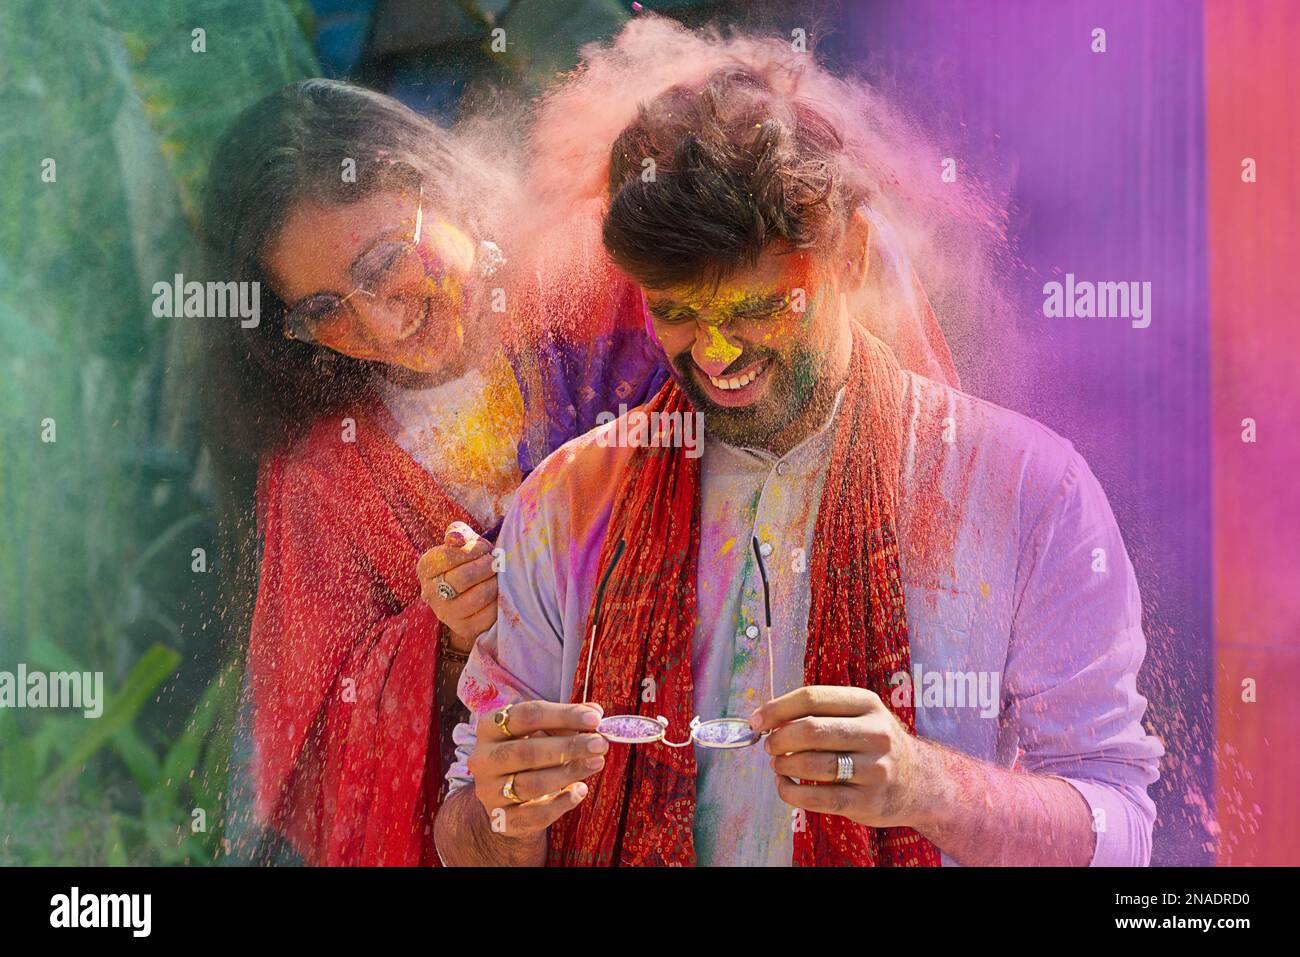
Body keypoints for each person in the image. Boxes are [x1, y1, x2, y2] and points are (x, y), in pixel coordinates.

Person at [435, 37, 1163, 867]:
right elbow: (466, 831)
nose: (715, 352)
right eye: (675, 311)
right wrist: (506, 813)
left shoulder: (1025, 486)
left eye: (755, 307)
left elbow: (1122, 833)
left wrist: (925, 786)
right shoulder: (570, 499)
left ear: (849, 257)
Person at [201, 79, 665, 865]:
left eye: (384, 262)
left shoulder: (594, 272)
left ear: (437, 185)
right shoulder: (324, 470)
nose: (381, 320)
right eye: (323, 310)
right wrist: (446, 639)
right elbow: (317, 746)